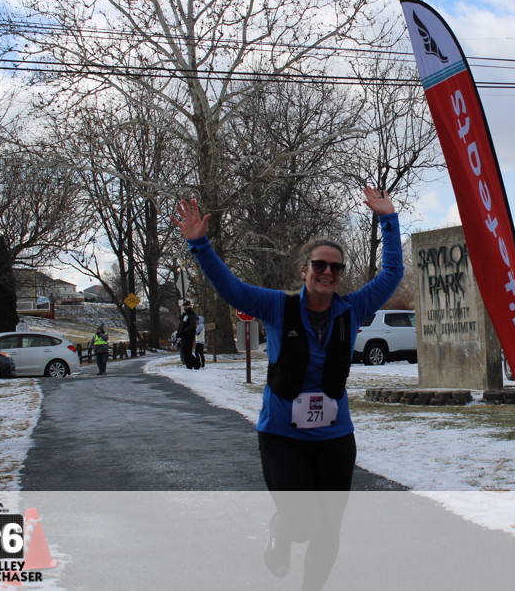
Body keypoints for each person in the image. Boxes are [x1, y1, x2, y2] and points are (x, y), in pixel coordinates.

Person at [170, 186, 401, 590]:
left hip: (335, 437)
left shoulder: (353, 309)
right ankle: (282, 527)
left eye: (335, 268)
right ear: (304, 271)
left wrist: (389, 219)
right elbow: (233, 289)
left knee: (329, 528)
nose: (327, 272)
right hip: (282, 435)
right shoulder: (278, 306)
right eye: (319, 265)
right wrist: (200, 245)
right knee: (302, 523)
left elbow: (392, 273)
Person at [178, 301, 198, 369]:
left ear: (189, 306)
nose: (185, 307)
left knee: (187, 350)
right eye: (184, 306)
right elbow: (183, 324)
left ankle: (191, 365)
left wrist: (185, 330)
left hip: (189, 335)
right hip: (185, 335)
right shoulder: (185, 314)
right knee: (185, 350)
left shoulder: (191, 314)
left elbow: (192, 325)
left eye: (186, 306)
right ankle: (195, 364)